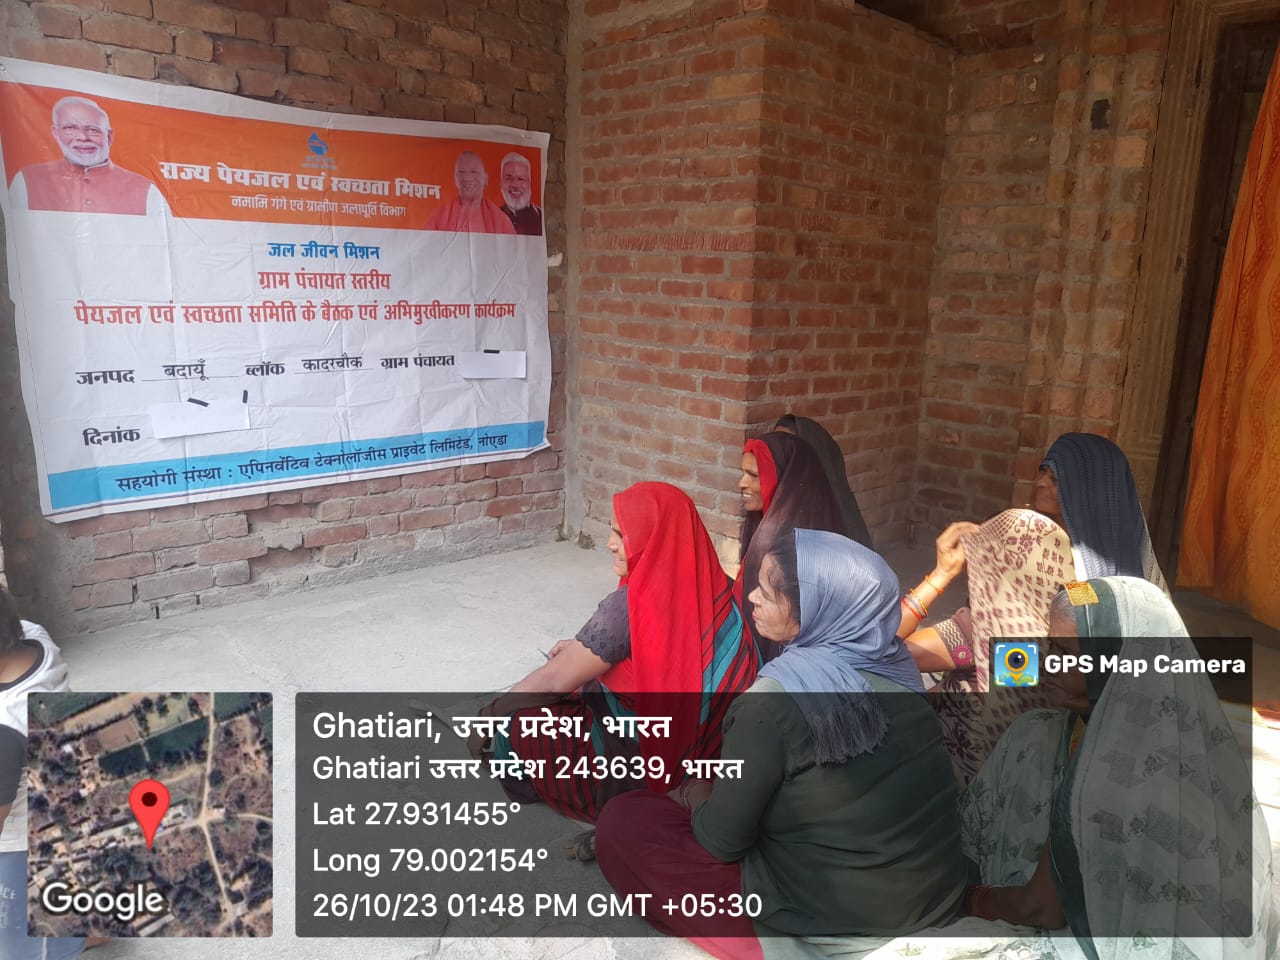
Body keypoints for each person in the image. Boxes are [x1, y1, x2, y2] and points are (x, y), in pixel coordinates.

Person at [595, 530, 967, 960]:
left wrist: (697, 794)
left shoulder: (771, 703)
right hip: (936, 898)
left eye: (768, 594)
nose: (751, 597)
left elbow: (722, 842)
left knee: (626, 821)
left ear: (815, 611)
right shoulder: (899, 668)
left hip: (839, 925)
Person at [955, 576, 1274, 959]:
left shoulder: (1121, 773)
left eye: (1065, 653)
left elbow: (1039, 907)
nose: (1046, 662)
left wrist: (972, 900)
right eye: (1050, 645)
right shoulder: (1041, 733)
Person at [475, 482, 758, 842]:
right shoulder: (716, 588)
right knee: (583, 672)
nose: (610, 543)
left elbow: (553, 681)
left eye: (622, 535)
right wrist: (588, 650)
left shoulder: (628, 608)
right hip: (709, 756)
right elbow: (672, 654)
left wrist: (490, 714)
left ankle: (597, 797)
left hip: (640, 762)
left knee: (522, 722)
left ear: (653, 539)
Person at [898, 509, 1073, 785]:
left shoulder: (979, 631)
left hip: (957, 778)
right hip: (1026, 779)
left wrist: (941, 575)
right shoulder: (1072, 626)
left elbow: (882, 649)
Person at [0, 588, 85, 959]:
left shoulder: (6, 728)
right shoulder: (33, 636)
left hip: (22, 840)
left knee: (23, 948)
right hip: (61, 783)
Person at [737, 432, 848, 662]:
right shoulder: (818, 517)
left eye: (754, 475)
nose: (742, 483)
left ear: (783, 478)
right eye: (743, 473)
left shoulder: (775, 540)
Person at [1034, 432, 1168, 590]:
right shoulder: (1027, 538)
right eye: (1043, 471)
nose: (1040, 482)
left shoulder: (1120, 575)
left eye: (1055, 479)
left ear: (1090, 491)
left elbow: (1089, 602)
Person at [8, 97, 167, 216]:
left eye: (93, 130)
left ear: (109, 136)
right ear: (55, 133)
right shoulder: (27, 180)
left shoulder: (146, 189)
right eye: (70, 128)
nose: (83, 137)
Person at [774, 414, 872, 549]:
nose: (780, 452)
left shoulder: (835, 509)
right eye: (776, 444)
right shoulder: (776, 491)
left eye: (789, 446)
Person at [423, 150, 517, 235]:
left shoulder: (500, 220)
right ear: (455, 178)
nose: (467, 178)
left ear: (485, 178)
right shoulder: (441, 215)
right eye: (461, 172)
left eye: (474, 172)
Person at [497, 152, 543, 236]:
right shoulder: (491, 217)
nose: (515, 185)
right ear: (501, 182)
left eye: (521, 179)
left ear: (530, 183)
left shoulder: (542, 218)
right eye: (508, 178)